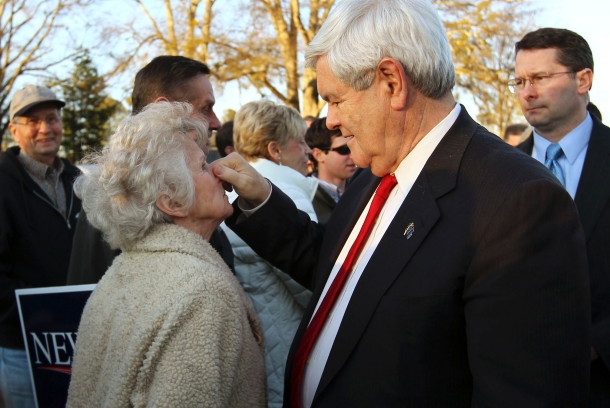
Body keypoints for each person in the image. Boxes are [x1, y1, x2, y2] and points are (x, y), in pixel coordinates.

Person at [210, 0, 591, 406]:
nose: (330, 120)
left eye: (336, 99)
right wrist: (263, 199)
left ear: (392, 81)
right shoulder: (377, 169)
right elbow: (344, 273)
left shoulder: (518, 202)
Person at [66, 102, 266, 407]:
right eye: (201, 166)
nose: (217, 170)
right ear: (171, 201)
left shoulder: (122, 272)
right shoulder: (201, 294)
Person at [66, 56, 234, 285]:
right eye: (206, 109)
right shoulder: (119, 198)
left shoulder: (185, 187)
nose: (217, 123)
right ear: (162, 108)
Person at [512, 27, 610, 406]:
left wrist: (595, 345)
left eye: (540, 78)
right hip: (515, 383)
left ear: (583, 79)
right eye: (519, 80)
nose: (527, 92)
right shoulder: (494, 171)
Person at [220, 99, 317, 407]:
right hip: (295, 350)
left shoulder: (227, 194)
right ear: (275, 150)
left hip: (256, 353)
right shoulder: (287, 198)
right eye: (300, 142)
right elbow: (316, 288)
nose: (308, 151)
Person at [0, 85, 82, 408]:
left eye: (51, 118)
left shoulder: (78, 180)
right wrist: (37, 315)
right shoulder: (2, 185)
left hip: (78, 340)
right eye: (33, 121)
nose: (45, 128)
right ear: (13, 130)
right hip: (22, 348)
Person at [305, 117, 356, 223]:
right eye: (344, 149)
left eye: (354, 147)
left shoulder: (363, 187)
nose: (353, 156)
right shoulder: (305, 197)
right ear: (318, 155)